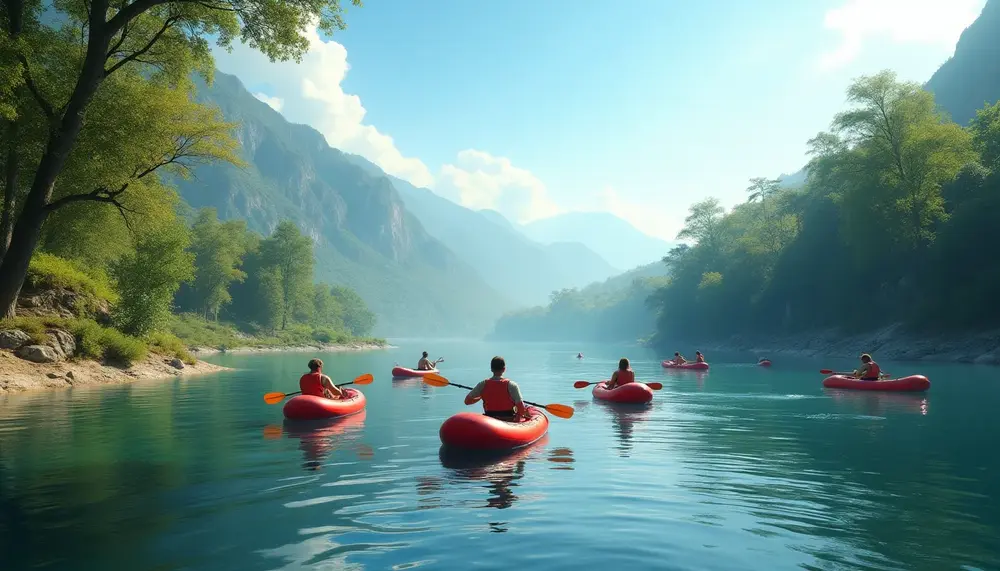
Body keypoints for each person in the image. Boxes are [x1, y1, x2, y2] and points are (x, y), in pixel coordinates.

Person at [464, 356, 528, 421]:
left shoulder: (482, 384)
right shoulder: (512, 385)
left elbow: (467, 401)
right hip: (508, 421)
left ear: (491, 369)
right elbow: (521, 409)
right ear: (504, 369)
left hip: (489, 421)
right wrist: (517, 418)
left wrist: (480, 397)